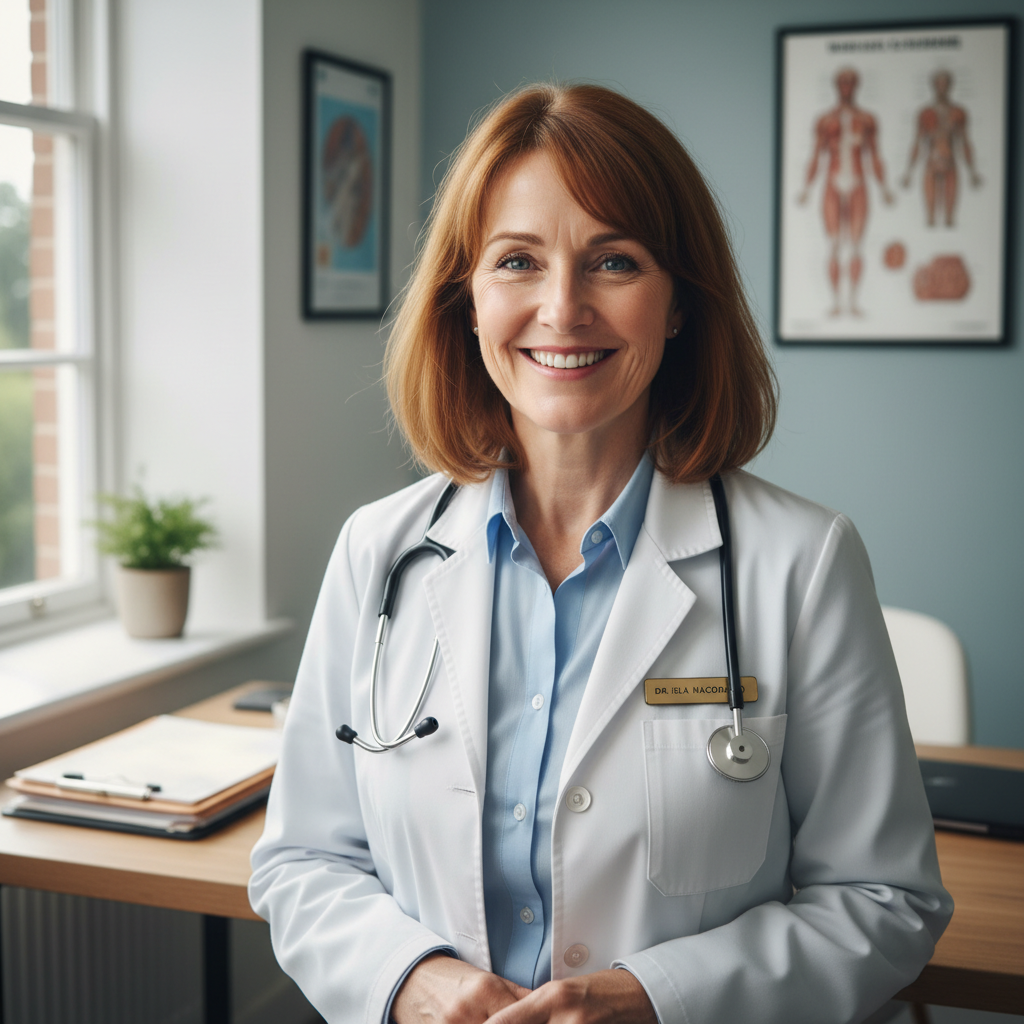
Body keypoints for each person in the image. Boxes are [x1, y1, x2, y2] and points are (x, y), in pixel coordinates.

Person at [249, 83, 951, 1024]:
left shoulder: (803, 563)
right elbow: (303, 861)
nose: (562, 308)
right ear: (467, 300)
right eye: (518, 262)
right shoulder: (378, 552)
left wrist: (657, 1001)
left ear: (678, 306)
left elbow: (884, 900)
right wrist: (412, 983)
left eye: (614, 261)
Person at [798, 67, 894, 317]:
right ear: (837, 86)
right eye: (843, 82)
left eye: (851, 83)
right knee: (833, 245)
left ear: (857, 86)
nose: (847, 87)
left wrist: (884, 188)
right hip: (833, 181)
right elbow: (816, 156)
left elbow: (874, 155)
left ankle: (852, 302)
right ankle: (835, 303)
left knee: (855, 246)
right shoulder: (825, 121)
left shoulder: (867, 120)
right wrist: (806, 188)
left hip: (858, 183)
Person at [901, 70, 982, 228]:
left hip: (950, 163)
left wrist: (972, 172)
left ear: (950, 86)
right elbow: (917, 143)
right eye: (938, 84)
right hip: (931, 164)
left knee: (950, 219)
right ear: (933, 86)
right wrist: (908, 172)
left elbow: (965, 142)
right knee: (930, 219)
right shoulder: (925, 113)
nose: (942, 88)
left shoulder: (959, 113)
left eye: (945, 84)